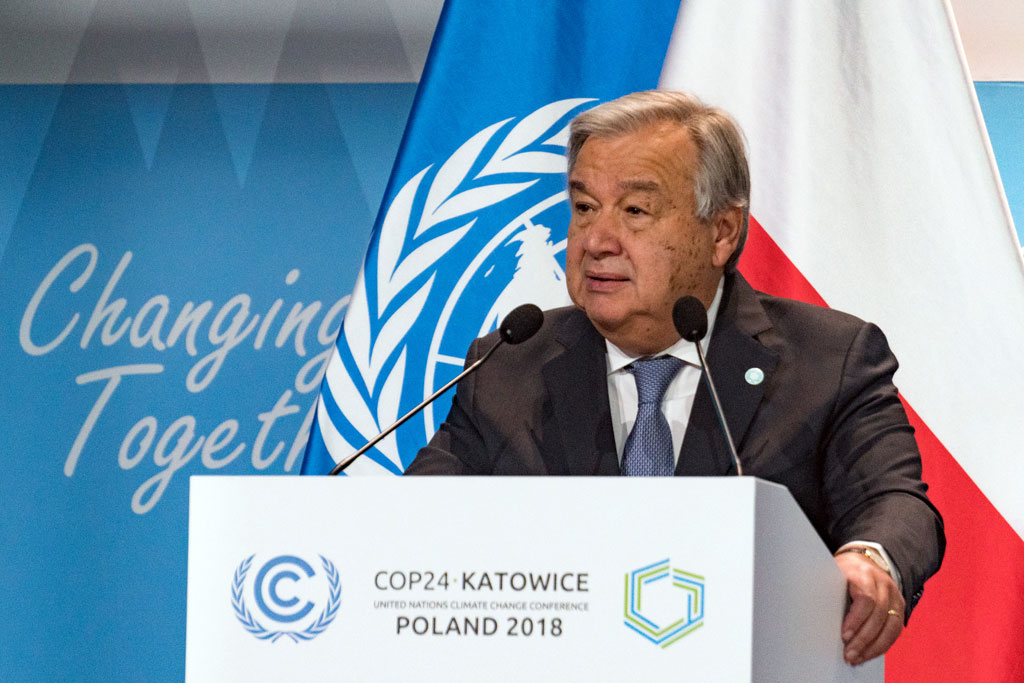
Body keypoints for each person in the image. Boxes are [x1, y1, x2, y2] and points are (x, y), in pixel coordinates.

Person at [405, 90, 944, 666]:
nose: (595, 241)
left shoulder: (829, 358)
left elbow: (895, 501)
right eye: (584, 207)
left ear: (722, 233)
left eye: (635, 211)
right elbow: (412, 519)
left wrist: (870, 559)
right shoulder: (512, 363)